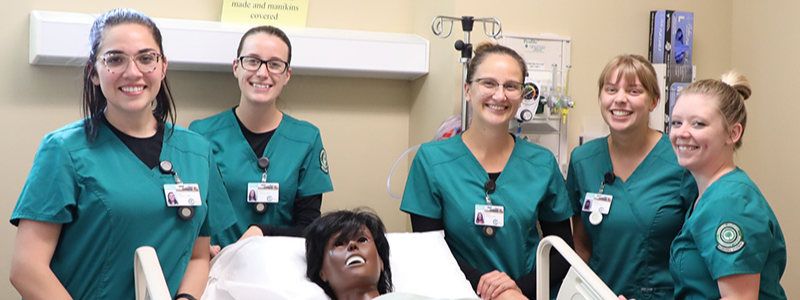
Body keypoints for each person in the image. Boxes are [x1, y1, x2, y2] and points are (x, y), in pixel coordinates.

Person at [8, 8, 236, 300]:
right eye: (115, 59)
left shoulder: (197, 152)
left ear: (163, 66)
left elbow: (197, 257)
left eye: (146, 58)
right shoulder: (64, 150)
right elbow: (26, 268)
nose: (133, 72)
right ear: (93, 72)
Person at [400, 42, 574, 300]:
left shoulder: (542, 163)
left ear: (522, 96)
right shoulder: (432, 160)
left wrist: (517, 289)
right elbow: (431, 250)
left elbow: (562, 252)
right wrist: (490, 289)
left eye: (511, 86)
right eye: (488, 83)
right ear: (468, 90)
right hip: (456, 294)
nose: (500, 95)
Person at [189, 25, 333, 253]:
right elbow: (191, 215)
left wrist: (263, 232)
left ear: (287, 75)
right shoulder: (201, 134)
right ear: (236, 67)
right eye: (253, 61)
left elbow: (310, 229)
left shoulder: (306, 139)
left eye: (275, 64)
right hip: (216, 265)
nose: (262, 73)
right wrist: (201, 248)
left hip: (280, 265)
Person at [566, 54, 697, 300]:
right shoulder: (583, 160)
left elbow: (698, 248)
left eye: (634, 91)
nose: (620, 99)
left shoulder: (681, 161)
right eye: (611, 89)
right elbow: (581, 246)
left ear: (654, 101)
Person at [667, 71, 786, 299]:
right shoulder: (708, 195)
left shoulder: (729, 202)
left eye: (698, 124)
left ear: (733, 133)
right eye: (676, 123)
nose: (682, 133)